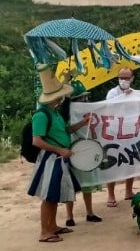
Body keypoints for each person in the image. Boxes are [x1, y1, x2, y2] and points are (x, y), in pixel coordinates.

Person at [27, 64, 88, 242]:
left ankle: (52, 226)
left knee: (53, 195)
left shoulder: (54, 113)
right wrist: (59, 149)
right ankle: (44, 232)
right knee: (48, 196)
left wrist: (82, 124)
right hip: (51, 159)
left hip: (59, 158)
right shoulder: (41, 115)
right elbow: (36, 140)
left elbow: (65, 131)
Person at [60, 81, 102, 227]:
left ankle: (89, 213)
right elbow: (67, 130)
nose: (85, 101)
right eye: (81, 98)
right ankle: (69, 216)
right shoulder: (66, 116)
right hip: (71, 152)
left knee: (87, 185)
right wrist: (83, 123)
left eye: (85, 98)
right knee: (71, 184)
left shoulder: (88, 113)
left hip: (86, 152)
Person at [106, 67, 136, 207]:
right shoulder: (112, 93)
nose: (123, 80)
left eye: (126, 77)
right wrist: (124, 96)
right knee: (112, 163)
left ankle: (128, 191)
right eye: (121, 77)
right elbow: (111, 108)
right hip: (114, 133)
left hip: (130, 132)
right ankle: (111, 195)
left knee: (131, 162)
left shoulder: (135, 94)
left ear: (132, 78)